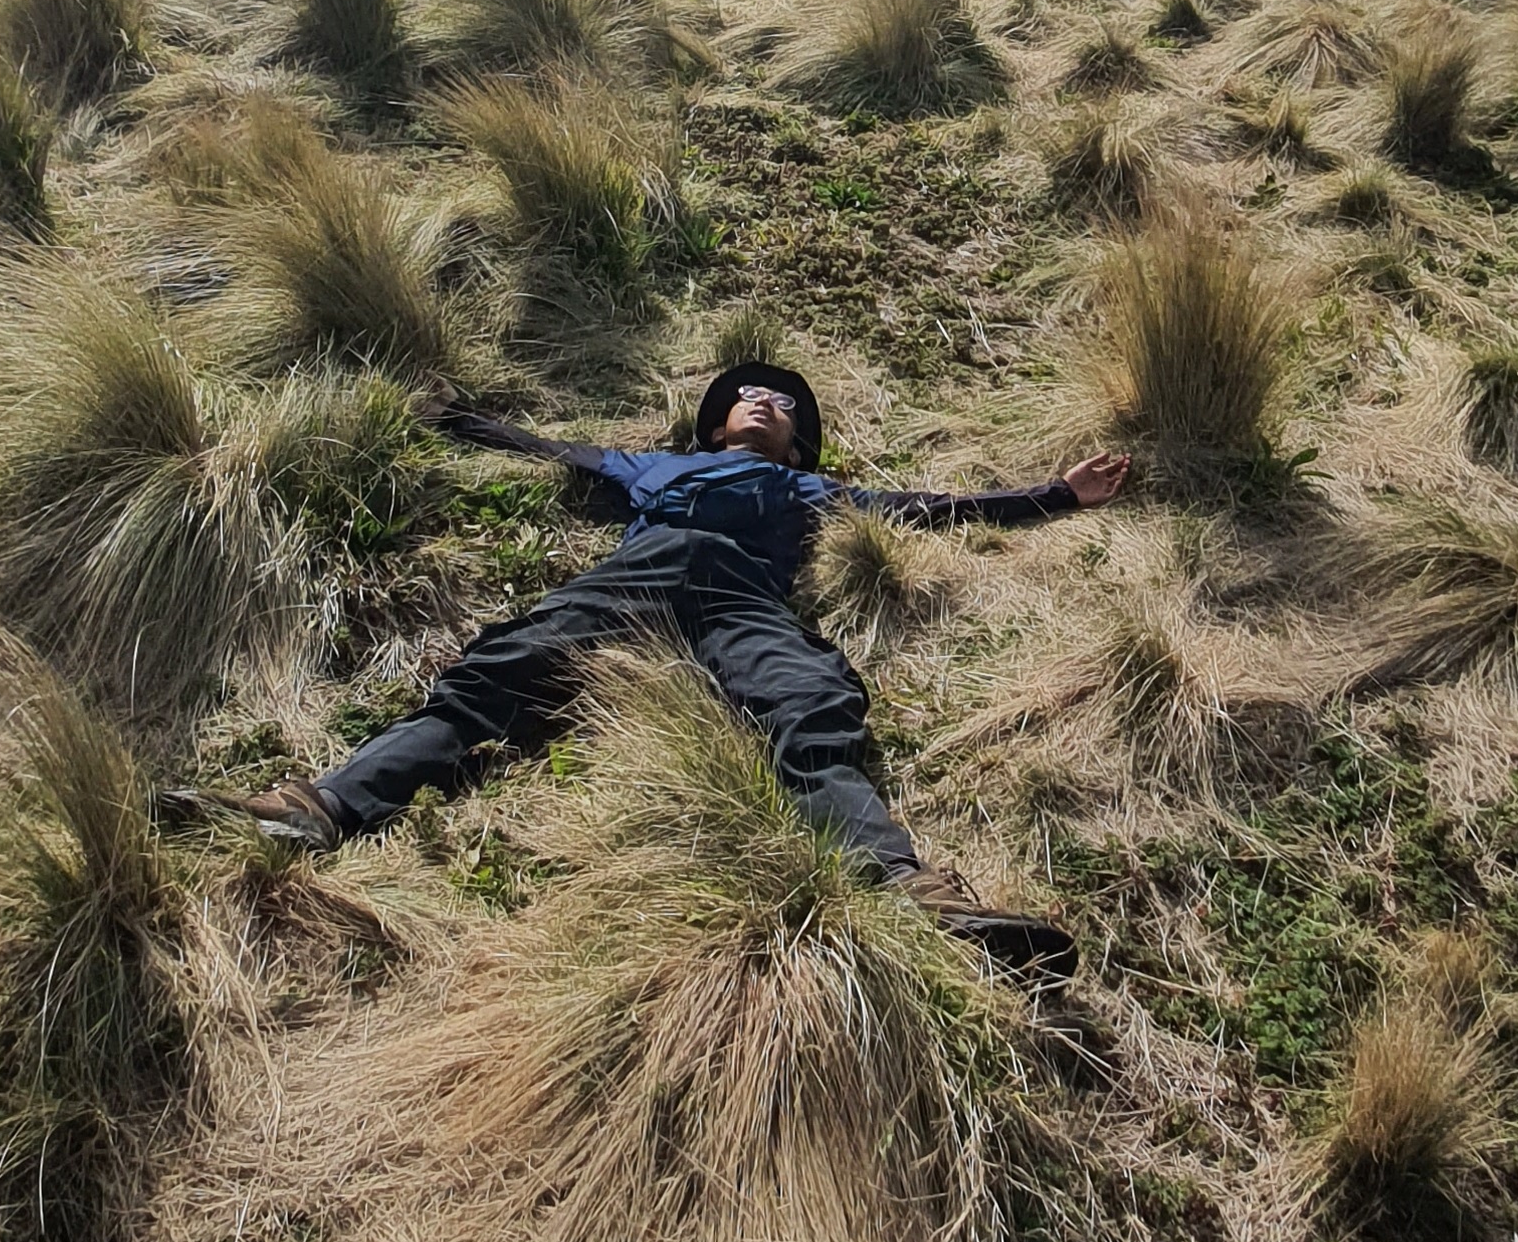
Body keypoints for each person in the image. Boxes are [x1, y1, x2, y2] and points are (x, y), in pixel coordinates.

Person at [228, 362, 1131, 978]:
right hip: (634, 578)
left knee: (811, 708)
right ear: (715, 424)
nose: (764, 401)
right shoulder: (656, 466)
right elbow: (556, 451)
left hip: (743, 599)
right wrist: (454, 417)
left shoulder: (818, 490)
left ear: (798, 445)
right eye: (749, 395)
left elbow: (935, 507)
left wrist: (1056, 494)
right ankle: (326, 806)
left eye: (782, 403)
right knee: (497, 678)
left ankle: (905, 892)